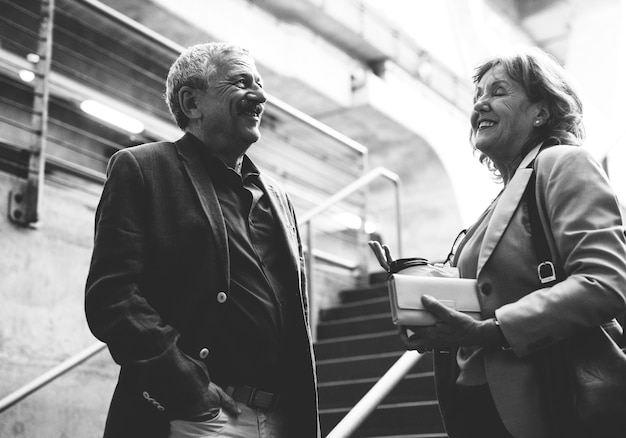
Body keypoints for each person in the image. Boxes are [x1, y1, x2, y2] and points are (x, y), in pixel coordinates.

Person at [370, 47, 626, 437]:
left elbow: (605, 282)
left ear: (540, 112)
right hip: (486, 407)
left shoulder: (564, 164)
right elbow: (492, 290)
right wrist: (428, 302)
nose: (480, 105)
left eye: (499, 92)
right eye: (478, 97)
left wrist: (490, 331)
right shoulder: (501, 200)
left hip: (553, 405)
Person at [85, 42, 320, 438]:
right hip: (200, 418)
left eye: (260, 84)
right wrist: (187, 385)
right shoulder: (142, 168)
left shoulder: (279, 197)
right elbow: (112, 296)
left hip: (285, 417)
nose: (261, 96)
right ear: (192, 103)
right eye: (242, 82)